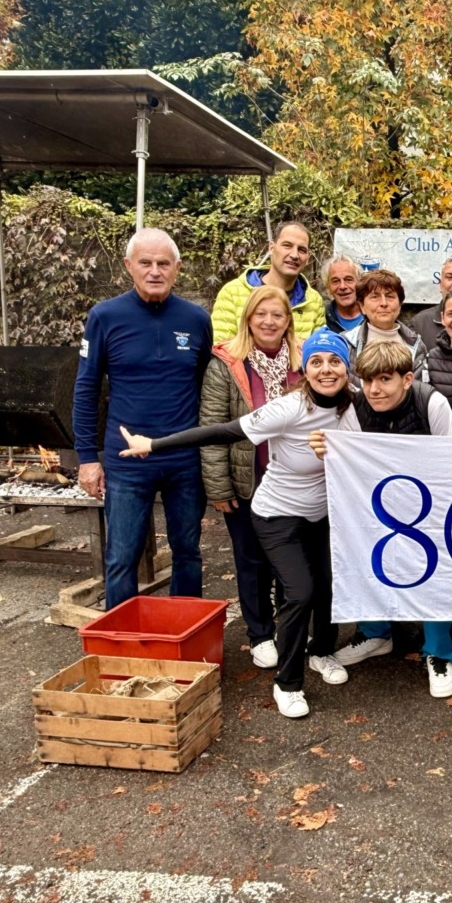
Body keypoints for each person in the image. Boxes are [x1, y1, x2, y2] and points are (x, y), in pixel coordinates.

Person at [118, 328, 356, 719]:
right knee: (300, 592)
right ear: (305, 368)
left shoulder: (353, 405)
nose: (326, 370)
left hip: (325, 513)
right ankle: (288, 682)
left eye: (335, 362)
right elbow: (223, 431)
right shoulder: (289, 408)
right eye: (316, 362)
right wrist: (154, 444)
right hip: (278, 514)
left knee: (330, 587)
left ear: (346, 369)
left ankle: (322, 653)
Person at [315, 342, 452, 698]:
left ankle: (439, 653)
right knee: (370, 558)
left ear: (408, 378)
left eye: (384, 380)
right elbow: (348, 459)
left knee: (434, 571)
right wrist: (326, 450)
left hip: (432, 502)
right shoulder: (357, 408)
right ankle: (375, 632)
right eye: (367, 381)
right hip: (378, 503)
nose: (374, 390)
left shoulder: (432, 403)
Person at [73, 228, 212, 610]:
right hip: (127, 463)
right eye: (145, 263)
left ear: (177, 268)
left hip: (184, 459)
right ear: (128, 267)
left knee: (188, 552)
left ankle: (184, 635)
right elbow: (85, 390)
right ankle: (122, 643)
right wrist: (87, 457)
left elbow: (207, 387)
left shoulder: (196, 319)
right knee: (121, 558)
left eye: (163, 263)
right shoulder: (105, 317)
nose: (154, 271)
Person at [199, 285, 302, 670]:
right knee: (251, 559)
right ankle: (260, 633)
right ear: (248, 319)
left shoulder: (304, 360)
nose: (269, 321)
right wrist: (219, 486)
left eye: (277, 314)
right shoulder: (227, 364)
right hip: (248, 477)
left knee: (292, 557)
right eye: (261, 314)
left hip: (294, 479)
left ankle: (290, 625)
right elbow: (212, 428)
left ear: (288, 320)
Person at [211, 222, 324, 342]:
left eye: (301, 250)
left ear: (308, 258)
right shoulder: (233, 293)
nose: (294, 255)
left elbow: (319, 354)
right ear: (271, 248)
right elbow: (221, 350)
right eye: (287, 245)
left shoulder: (313, 301)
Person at [343, 269, 429, 384]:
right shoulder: (346, 343)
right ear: (362, 306)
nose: (384, 303)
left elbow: (419, 393)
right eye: (375, 297)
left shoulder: (417, 346)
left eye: (389, 296)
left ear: (400, 305)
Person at [322, 254, 365, 335]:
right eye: (335, 281)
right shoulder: (322, 320)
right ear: (328, 287)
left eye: (348, 279)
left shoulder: (373, 316)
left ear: (360, 283)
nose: (342, 286)